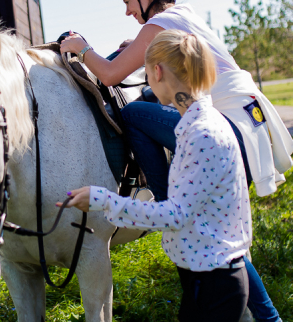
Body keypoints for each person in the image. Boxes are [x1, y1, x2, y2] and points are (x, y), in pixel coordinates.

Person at [59, 0, 289, 322]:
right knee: (225, 240)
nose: (128, 11)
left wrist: (81, 48)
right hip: (248, 121)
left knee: (134, 112)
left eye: (128, 0)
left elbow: (113, 75)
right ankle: (267, 317)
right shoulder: (184, 18)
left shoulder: (161, 23)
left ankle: (166, 199)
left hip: (226, 122)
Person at [58, 30, 251, 321]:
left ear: (157, 72)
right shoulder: (197, 124)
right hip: (207, 275)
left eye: (146, 72)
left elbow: (176, 215)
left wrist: (103, 200)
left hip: (214, 282)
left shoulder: (202, 134)